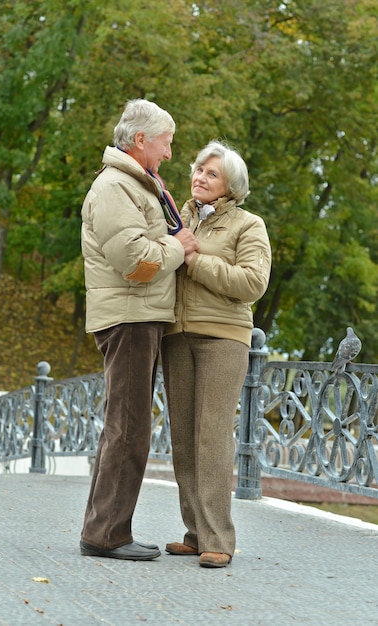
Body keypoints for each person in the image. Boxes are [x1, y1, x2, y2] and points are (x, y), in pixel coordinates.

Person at [79, 99, 198, 561]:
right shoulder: (114, 188)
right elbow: (137, 263)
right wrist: (176, 244)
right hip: (130, 317)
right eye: (166, 143)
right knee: (129, 429)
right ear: (142, 140)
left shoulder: (134, 185)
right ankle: (107, 534)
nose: (170, 153)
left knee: (125, 427)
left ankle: (104, 528)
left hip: (138, 316)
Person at [161, 140, 271, 568]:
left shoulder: (249, 225)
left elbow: (252, 284)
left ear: (231, 185)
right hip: (176, 334)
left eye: (211, 174)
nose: (199, 178)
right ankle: (194, 532)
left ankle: (219, 540)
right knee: (183, 437)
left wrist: (195, 259)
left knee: (211, 434)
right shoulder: (179, 216)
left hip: (223, 337)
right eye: (198, 170)